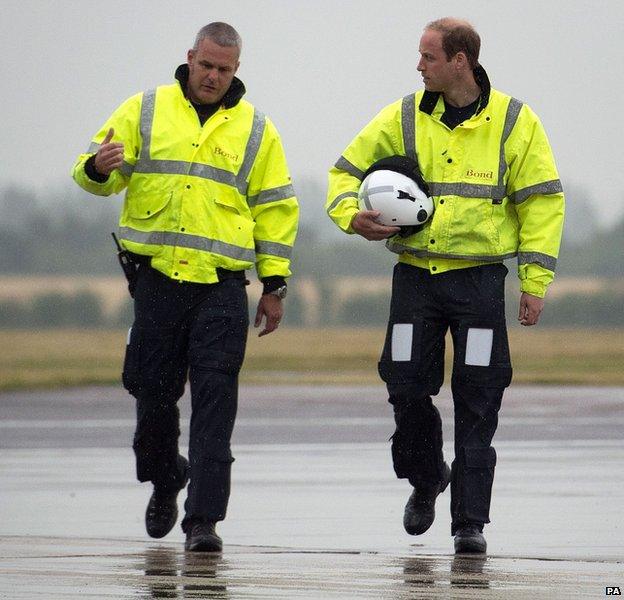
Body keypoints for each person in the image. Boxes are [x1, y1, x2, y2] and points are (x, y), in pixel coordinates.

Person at [326, 17, 563, 554]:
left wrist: (535, 280)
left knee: (479, 401)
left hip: (480, 285)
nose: (418, 65)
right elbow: (343, 173)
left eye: (428, 56)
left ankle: (469, 525)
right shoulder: (404, 115)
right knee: (406, 387)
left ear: (461, 61)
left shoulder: (516, 121)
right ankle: (427, 476)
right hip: (416, 280)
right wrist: (351, 215)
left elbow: (543, 203)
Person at [72, 22, 298, 552]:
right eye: (206, 66)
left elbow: (278, 211)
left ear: (237, 69)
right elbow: (89, 175)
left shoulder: (258, 131)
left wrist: (275, 285)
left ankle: (204, 523)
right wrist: (97, 167)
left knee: (216, 402)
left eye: (224, 69)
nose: (214, 76)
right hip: (156, 285)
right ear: (190, 57)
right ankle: (165, 478)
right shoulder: (144, 109)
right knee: (152, 398)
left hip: (221, 289)